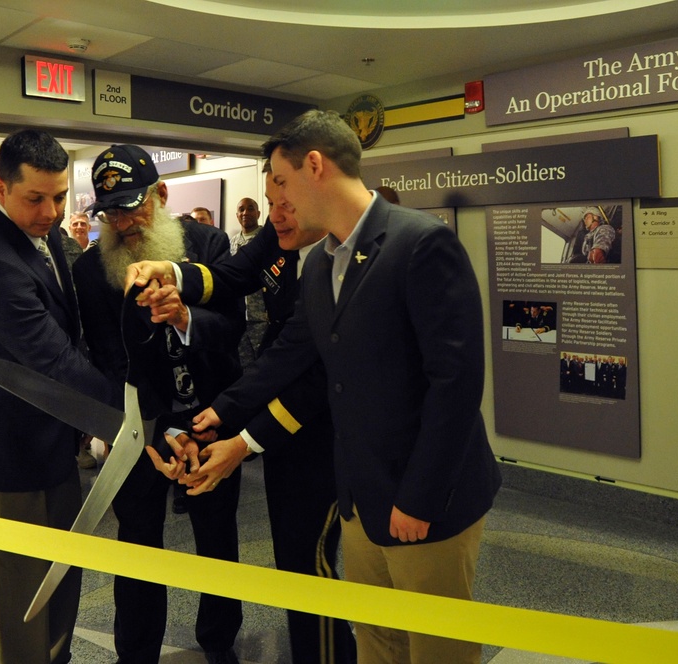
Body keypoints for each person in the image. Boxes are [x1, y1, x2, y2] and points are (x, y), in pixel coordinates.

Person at [138, 110, 502, 664]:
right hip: (360, 498)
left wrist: (420, 497)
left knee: (436, 648)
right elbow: (292, 354)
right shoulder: (319, 265)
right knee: (378, 640)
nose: (276, 205)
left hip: (426, 501)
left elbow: (454, 385)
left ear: (315, 166)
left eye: (280, 185)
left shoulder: (420, 244)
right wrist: (223, 411)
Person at [131, 163, 356, 664]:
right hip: (282, 416)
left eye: (286, 205)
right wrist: (171, 274)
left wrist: (243, 438)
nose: (274, 217)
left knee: (312, 560)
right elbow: (234, 281)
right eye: (270, 203)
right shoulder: (282, 241)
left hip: (325, 429)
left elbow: (313, 373)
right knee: (295, 559)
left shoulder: (344, 264)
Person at [73, 144, 244, 664]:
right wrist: (148, 432)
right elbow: (106, 359)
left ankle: (220, 642)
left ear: (161, 193)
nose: (124, 222)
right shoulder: (90, 271)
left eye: (133, 205)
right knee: (138, 543)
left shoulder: (210, 245)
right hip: (139, 431)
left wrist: (184, 317)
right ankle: (137, 652)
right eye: (112, 211)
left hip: (212, 422)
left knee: (218, 538)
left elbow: (234, 328)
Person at [0, 129, 115, 664]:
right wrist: (129, 418)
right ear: (0, 187)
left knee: (59, 591)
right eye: (36, 198)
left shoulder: (42, 241)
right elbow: (53, 358)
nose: (51, 210)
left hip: (50, 448)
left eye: (61, 196)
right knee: (15, 613)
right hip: (3, 458)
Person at [229, 198, 266, 368]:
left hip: (263, 317)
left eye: (250, 208)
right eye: (241, 209)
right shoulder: (232, 242)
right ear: (237, 215)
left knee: (266, 365)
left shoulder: (267, 239)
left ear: (258, 213)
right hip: (239, 317)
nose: (245, 213)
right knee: (244, 368)